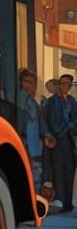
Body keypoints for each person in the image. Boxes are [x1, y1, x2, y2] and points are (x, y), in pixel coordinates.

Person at [44, 73, 77, 213]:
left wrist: (72, 127)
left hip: (70, 139)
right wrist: (49, 135)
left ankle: (68, 202)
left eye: (68, 84)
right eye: (63, 83)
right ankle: (61, 201)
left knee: (69, 171)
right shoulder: (51, 101)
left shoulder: (72, 100)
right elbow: (46, 120)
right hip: (57, 139)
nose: (65, 86)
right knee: (58, 171)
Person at [17, 69, 50, 196]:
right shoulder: (21, 98)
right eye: (25, 82)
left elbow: (42, 124)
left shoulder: (37, 103)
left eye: (31, 83)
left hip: (35, 147)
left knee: (36, 176)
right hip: (25, 145)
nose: (28, 85)